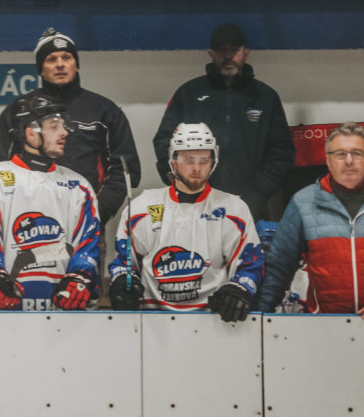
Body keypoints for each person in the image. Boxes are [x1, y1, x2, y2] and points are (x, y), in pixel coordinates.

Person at [109, 123, 264, 322]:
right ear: (173, 161)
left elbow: (250, 264)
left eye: (204, 160)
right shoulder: (142, 207)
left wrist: (240, 288)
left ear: (213, 161)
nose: (197, 168)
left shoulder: (233, 209)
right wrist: (122, 280)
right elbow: (124, 262)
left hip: (213, 322)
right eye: (188, 159)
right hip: (153, 323)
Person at [0, 27, 140, 224]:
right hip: (27, 222)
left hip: (86, 220)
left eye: (66, 57)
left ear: (76, 65)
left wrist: (94, 214)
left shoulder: (104, 110)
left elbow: (126, 171)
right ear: (41, 69)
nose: (60, 64)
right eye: (51, 59)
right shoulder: (18, 111)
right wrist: (19, 209)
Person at [152, 22, 295, 223]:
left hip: (250, 205)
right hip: (193, 202)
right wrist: (179, 182)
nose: (228, 56)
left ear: (246, 53)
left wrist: (259, 190)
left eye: (234, 49)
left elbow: (282, 151)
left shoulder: (266, 97)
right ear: (211, 53)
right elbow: (164, 142)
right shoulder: (189, 93)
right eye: (221, 50)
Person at [0, 95, 101, 311]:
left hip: (62, 309)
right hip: (6, 306)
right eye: (54, 126)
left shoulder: (79, 185)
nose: (64, 132)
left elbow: (88, 239)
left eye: (63, 126)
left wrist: (80, 275)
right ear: (30, 132)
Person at [254, 121, 364, 315]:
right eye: (340, 154)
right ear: (328, 161)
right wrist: (260, 318)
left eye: (357, 153)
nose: (349, 161)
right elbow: (278, 268)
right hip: (323, 325)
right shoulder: (303, 202)